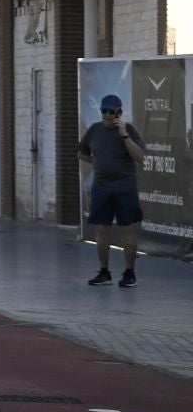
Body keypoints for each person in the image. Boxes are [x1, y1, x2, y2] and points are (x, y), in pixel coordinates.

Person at [80, 95, 146, 287]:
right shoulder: (95, 130)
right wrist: (96, 163)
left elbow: (140, 156)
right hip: (102, 187)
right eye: (104, 111)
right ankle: (104, 271)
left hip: (124, 188)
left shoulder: (129, 130)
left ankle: (129, 272)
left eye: (111, 112)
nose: (107, 115)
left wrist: (124, 135)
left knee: (127, 229)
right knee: (102, 229)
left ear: (119, 113)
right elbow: (81, 151)